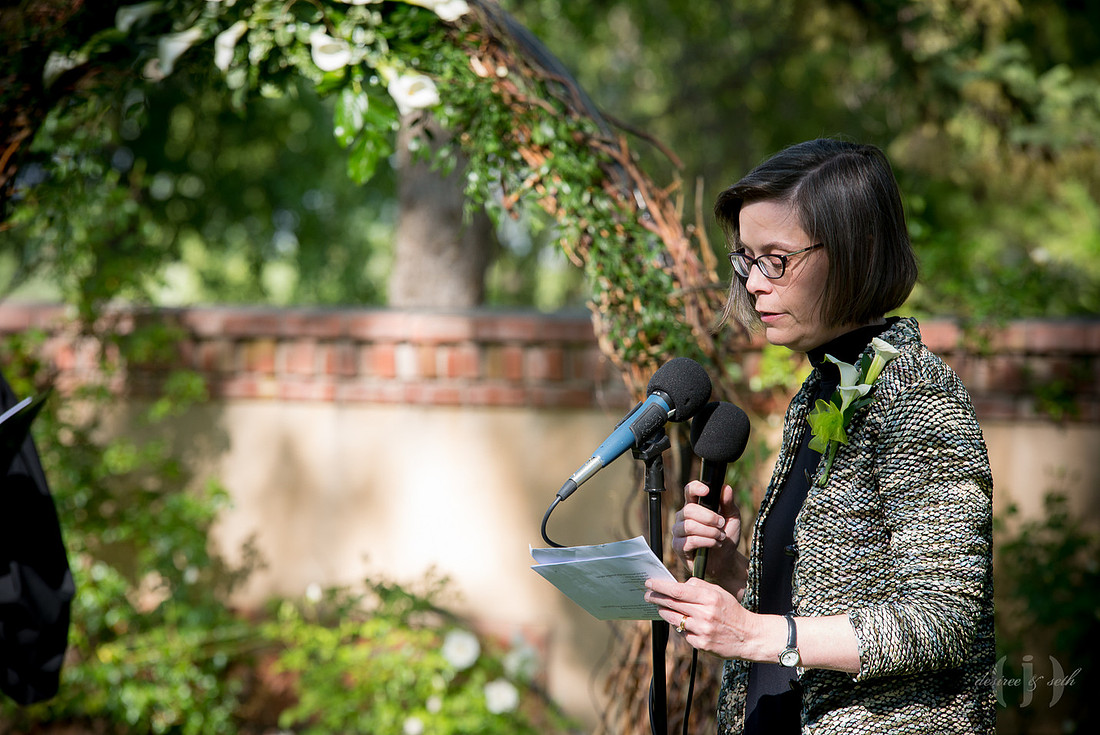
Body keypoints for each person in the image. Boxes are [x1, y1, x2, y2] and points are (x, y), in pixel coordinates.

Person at [643, 138, 994, 734]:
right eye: (747, 258)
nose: (754, 284)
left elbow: (943, 619)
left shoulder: (916, 393)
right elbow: (809, 610)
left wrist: (750, 633)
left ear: (857, 252)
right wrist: (731, 568)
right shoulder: (819, 394)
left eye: (776, 259)